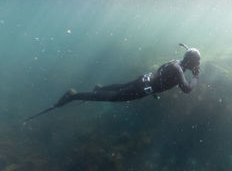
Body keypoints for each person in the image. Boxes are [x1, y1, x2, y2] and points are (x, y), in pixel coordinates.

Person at [25, 44, 200, 122]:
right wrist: (196, 78)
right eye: (196, 63)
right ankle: (73, 96)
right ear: (191, 62)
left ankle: (99, 88)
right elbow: (186, 89)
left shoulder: (176, 62)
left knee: (119, 87)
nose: (196, 66)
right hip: (143, 88)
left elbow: (165, 77)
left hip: (143, 80)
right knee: (112, 97)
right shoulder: (179, 70)